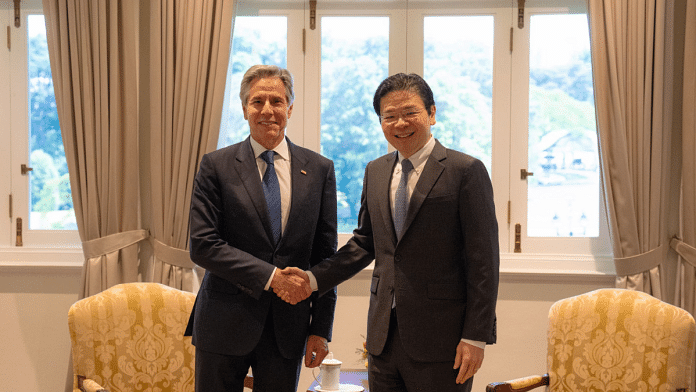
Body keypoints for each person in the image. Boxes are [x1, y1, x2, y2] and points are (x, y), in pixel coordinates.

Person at [286, 73, 499, 391]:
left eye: (410, 112)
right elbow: (364, 243)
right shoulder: (376, 170)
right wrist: (313, 279)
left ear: (432, 113)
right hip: (383, 336)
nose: (400, 123)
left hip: (443, 341)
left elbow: (484, 262)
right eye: (389, 116)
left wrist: (475, 336)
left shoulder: (465, 171)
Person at [184, 64, 338, 392]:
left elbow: (326, 258)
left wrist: (321, 328)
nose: (267, 110)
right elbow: (203, 244)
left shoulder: (320, 169)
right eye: (257, 102)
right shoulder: (215, 166)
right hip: (223, 321)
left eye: (277, 101)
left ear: (290, 108)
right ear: (244, 110)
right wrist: (271, 278)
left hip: (289, 327)